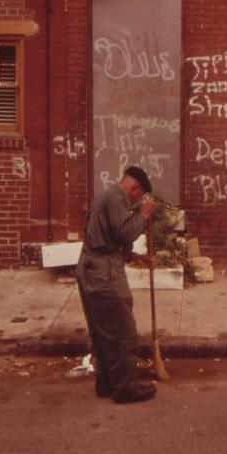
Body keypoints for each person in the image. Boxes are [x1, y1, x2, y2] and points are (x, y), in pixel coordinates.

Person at [76, 166, 157, 403]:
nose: (137, 201)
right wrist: (144, 214)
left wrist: (136, 257)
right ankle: (124, 388)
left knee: (101, 331)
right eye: (139, 196)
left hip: (91, 267)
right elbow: (124, 233)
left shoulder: (106, 196)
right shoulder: (116, 198)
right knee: (123, 331)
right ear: (135, 188)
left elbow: (108, 239)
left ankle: (105, 382)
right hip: (103, 273)